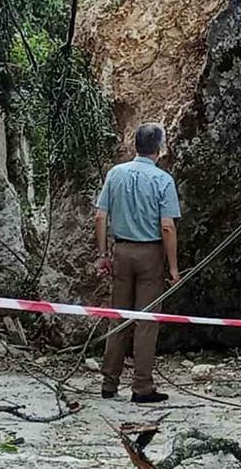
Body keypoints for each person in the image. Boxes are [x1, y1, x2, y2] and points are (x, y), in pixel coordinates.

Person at [95, 122, 181, 404]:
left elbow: (100, 216)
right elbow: (167, 227)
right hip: (150, 254)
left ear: (136, 145)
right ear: (159, 148)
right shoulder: (163, 180)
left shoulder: (115, 174)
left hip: (121, 251)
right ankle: (142, 386)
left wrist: (103, 254)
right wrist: (173, 267)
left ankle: (109, 382)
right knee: (146, 321)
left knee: (118, 317)